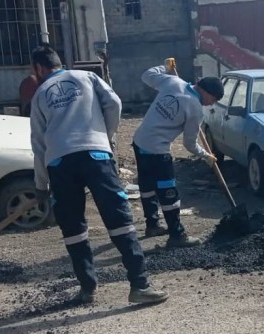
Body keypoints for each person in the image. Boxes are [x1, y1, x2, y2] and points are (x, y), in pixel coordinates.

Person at [29, 45, 166, 305]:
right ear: (59, 62)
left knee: (73, 229)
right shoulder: (86, 77)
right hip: (96, 156)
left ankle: (87, 289)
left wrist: (40, 184)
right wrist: (105, 136)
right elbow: (113, 103)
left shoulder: (39, 95)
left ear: (38, 68)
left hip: (59, 163)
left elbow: (38, 142)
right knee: (119, 220)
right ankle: (140, 285)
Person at [131, 58, 221, 247]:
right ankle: (177, 235)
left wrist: (164, 66)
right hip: (157, 150)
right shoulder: (195, 108)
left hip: (139, 141)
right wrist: (206, 155)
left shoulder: (173, 82)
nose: (211, 104)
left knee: (147, 185)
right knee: (168, 191)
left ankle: (152, 224)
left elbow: (146, 75)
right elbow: (189, 144)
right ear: (206, 91)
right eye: (213, 100)